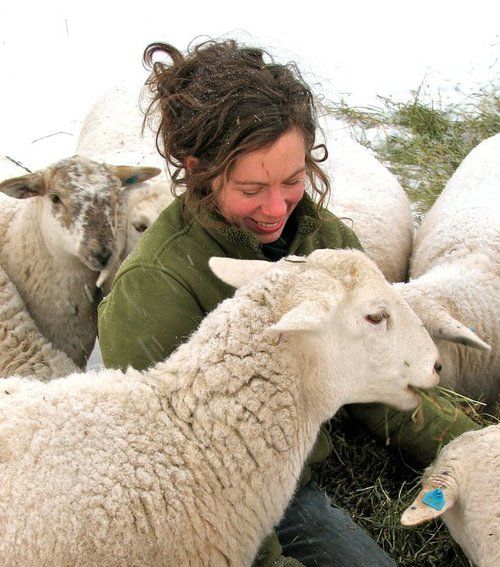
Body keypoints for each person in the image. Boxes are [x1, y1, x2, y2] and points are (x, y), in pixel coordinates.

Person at [98, 39, 478, 567]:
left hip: (296, 456)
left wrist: (471, 449)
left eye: (293, 180)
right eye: (252, 187)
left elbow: (374, 357)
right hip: (227, 491)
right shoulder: (154, 288)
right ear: (199, 169)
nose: (277, 207)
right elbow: (171, 469)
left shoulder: (323, 241)